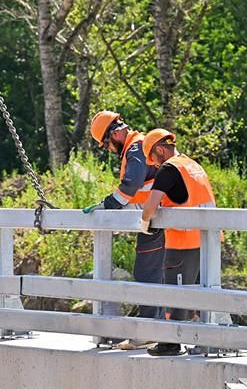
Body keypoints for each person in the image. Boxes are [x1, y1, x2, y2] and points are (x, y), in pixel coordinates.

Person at [85, 111, 164, 350]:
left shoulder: (135, 147)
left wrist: (109, 204)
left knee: (146, 273)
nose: (108, 148)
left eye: (107, 143)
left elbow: (131, 184)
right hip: (157, 217)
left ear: (116, 133)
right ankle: (172, 328)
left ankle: (149, 331)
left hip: (156, 219)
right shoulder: (137, 146)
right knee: (164, 274)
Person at [139, 128, 218, 356]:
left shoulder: (169, 168)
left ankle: (171, 343)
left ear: (160, 150)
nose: (153, 165)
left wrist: (145, 222)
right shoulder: (193, 166)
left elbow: (151, 205)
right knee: (206, 292)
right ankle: (215, 340)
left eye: (153, 159)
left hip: (183, 241)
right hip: (208, 240)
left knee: (176, 292)